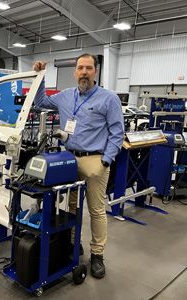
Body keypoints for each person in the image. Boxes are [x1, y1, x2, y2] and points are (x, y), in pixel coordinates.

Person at [33, 54, 124, 279]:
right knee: (72, 208)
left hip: (95, 161)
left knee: (96, 209)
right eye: (80, 68)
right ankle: (74, 245)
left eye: (89, 68)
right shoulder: (65, 96)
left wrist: (106, 160)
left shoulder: (108, 98)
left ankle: (97, 254)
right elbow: (39, 102)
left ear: (95, 72)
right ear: (75, 72)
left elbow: (117, 132)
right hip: (69, 159)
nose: (84, 72)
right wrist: (40, 76)